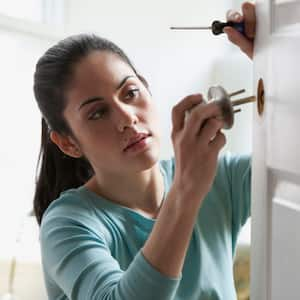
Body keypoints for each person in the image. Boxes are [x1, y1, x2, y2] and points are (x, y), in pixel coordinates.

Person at [33, 2, 256, 299]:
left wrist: (274, 59)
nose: (127, 118)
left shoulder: (221, 177)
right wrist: (186, 192)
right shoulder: (66, 224)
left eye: (130, 92)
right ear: (68, 142)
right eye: (98, 113)